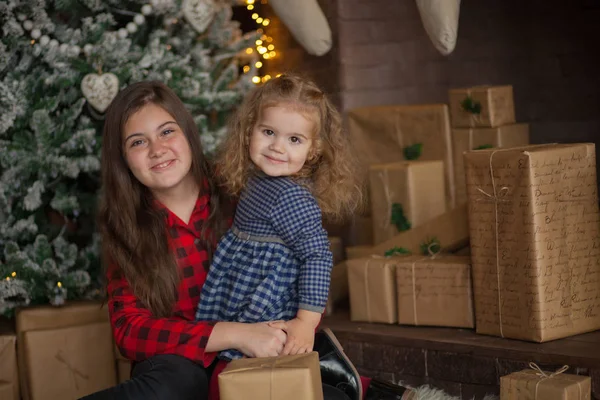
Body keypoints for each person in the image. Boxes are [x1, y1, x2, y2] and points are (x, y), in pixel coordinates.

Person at [81, 80, 363, 400]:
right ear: (123, 158)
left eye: (167, 131)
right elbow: (129, 331)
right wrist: (235, 334)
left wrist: (294, 325)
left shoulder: (242, 188)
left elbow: (307, 257)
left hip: (257, 356)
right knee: (175, 384)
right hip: (181, 365)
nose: (157, 149)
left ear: (188, 132)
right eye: (137, 142)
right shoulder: (126, 229)